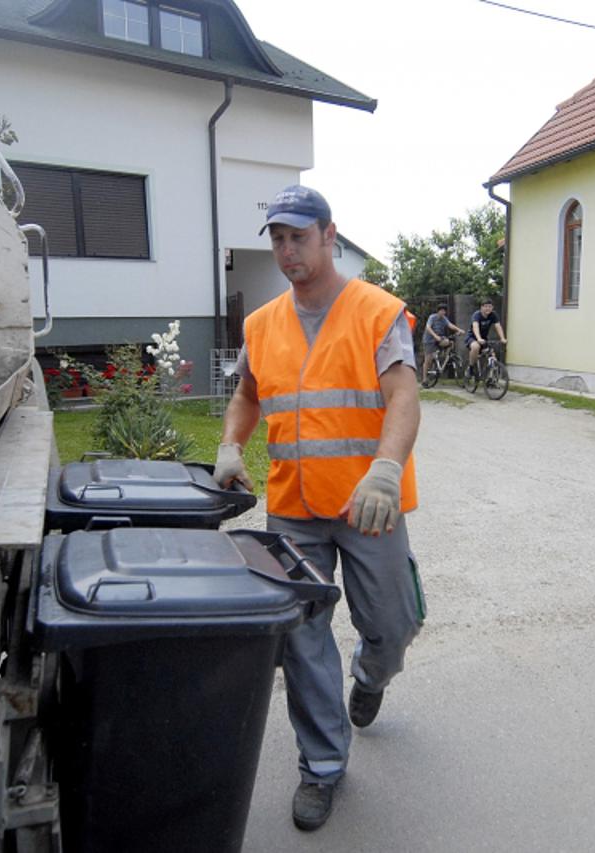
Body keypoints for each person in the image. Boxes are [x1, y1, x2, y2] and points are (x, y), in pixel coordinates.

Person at [213, 185, 425, 830]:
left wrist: (385, 470)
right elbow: (249, 395)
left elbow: (404, 396)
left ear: (330, 235)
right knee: (302, 642)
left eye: (298, 237)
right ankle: (322, 768)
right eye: (276, 239)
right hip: (295, 509)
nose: (286, 251)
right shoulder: (261, 323)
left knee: (392, 626)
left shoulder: (376, 311)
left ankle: (372, 675)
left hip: (369, 505)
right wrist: (229, 446)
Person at [421, 304, 463, 382]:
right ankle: (424, 378)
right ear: (438, 311)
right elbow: (428, 328)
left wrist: (459, 330)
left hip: (440, 338)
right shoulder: (432, 317)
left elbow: (450, 325)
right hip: (429, 340)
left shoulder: (444, 319)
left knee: (449, 342)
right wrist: (435, 336)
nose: (443, 312)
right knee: (428, 359)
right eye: (441, 311)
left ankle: (442, 358)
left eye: (444, 311)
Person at [465, 298, 506, 376]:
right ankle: (471, 367)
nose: (488, 308)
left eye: (490, 306)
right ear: (481, 307)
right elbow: (475, 327)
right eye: (486, 306)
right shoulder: (477, 315)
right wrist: (478, 338)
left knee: (492, 355)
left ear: (492, 308)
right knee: (475, 347)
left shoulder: (493, 315)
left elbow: (498, 326)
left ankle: (492, 378)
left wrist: (502, 338)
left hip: (484, 339)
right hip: (472, 337)